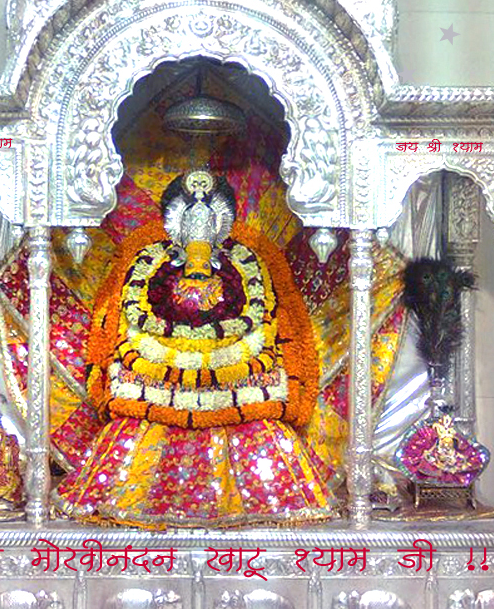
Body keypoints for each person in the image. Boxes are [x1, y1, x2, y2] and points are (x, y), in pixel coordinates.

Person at [53, 170, 334, 527]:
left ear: (222, 221)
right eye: (188, 215)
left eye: (208, 214)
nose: (198, 223)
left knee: (260, 412)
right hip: (155, 386)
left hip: (236, 386)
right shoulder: (150, 261)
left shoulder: (244, 262)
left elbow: (269, 319)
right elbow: (122, 319)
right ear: (174, 221)